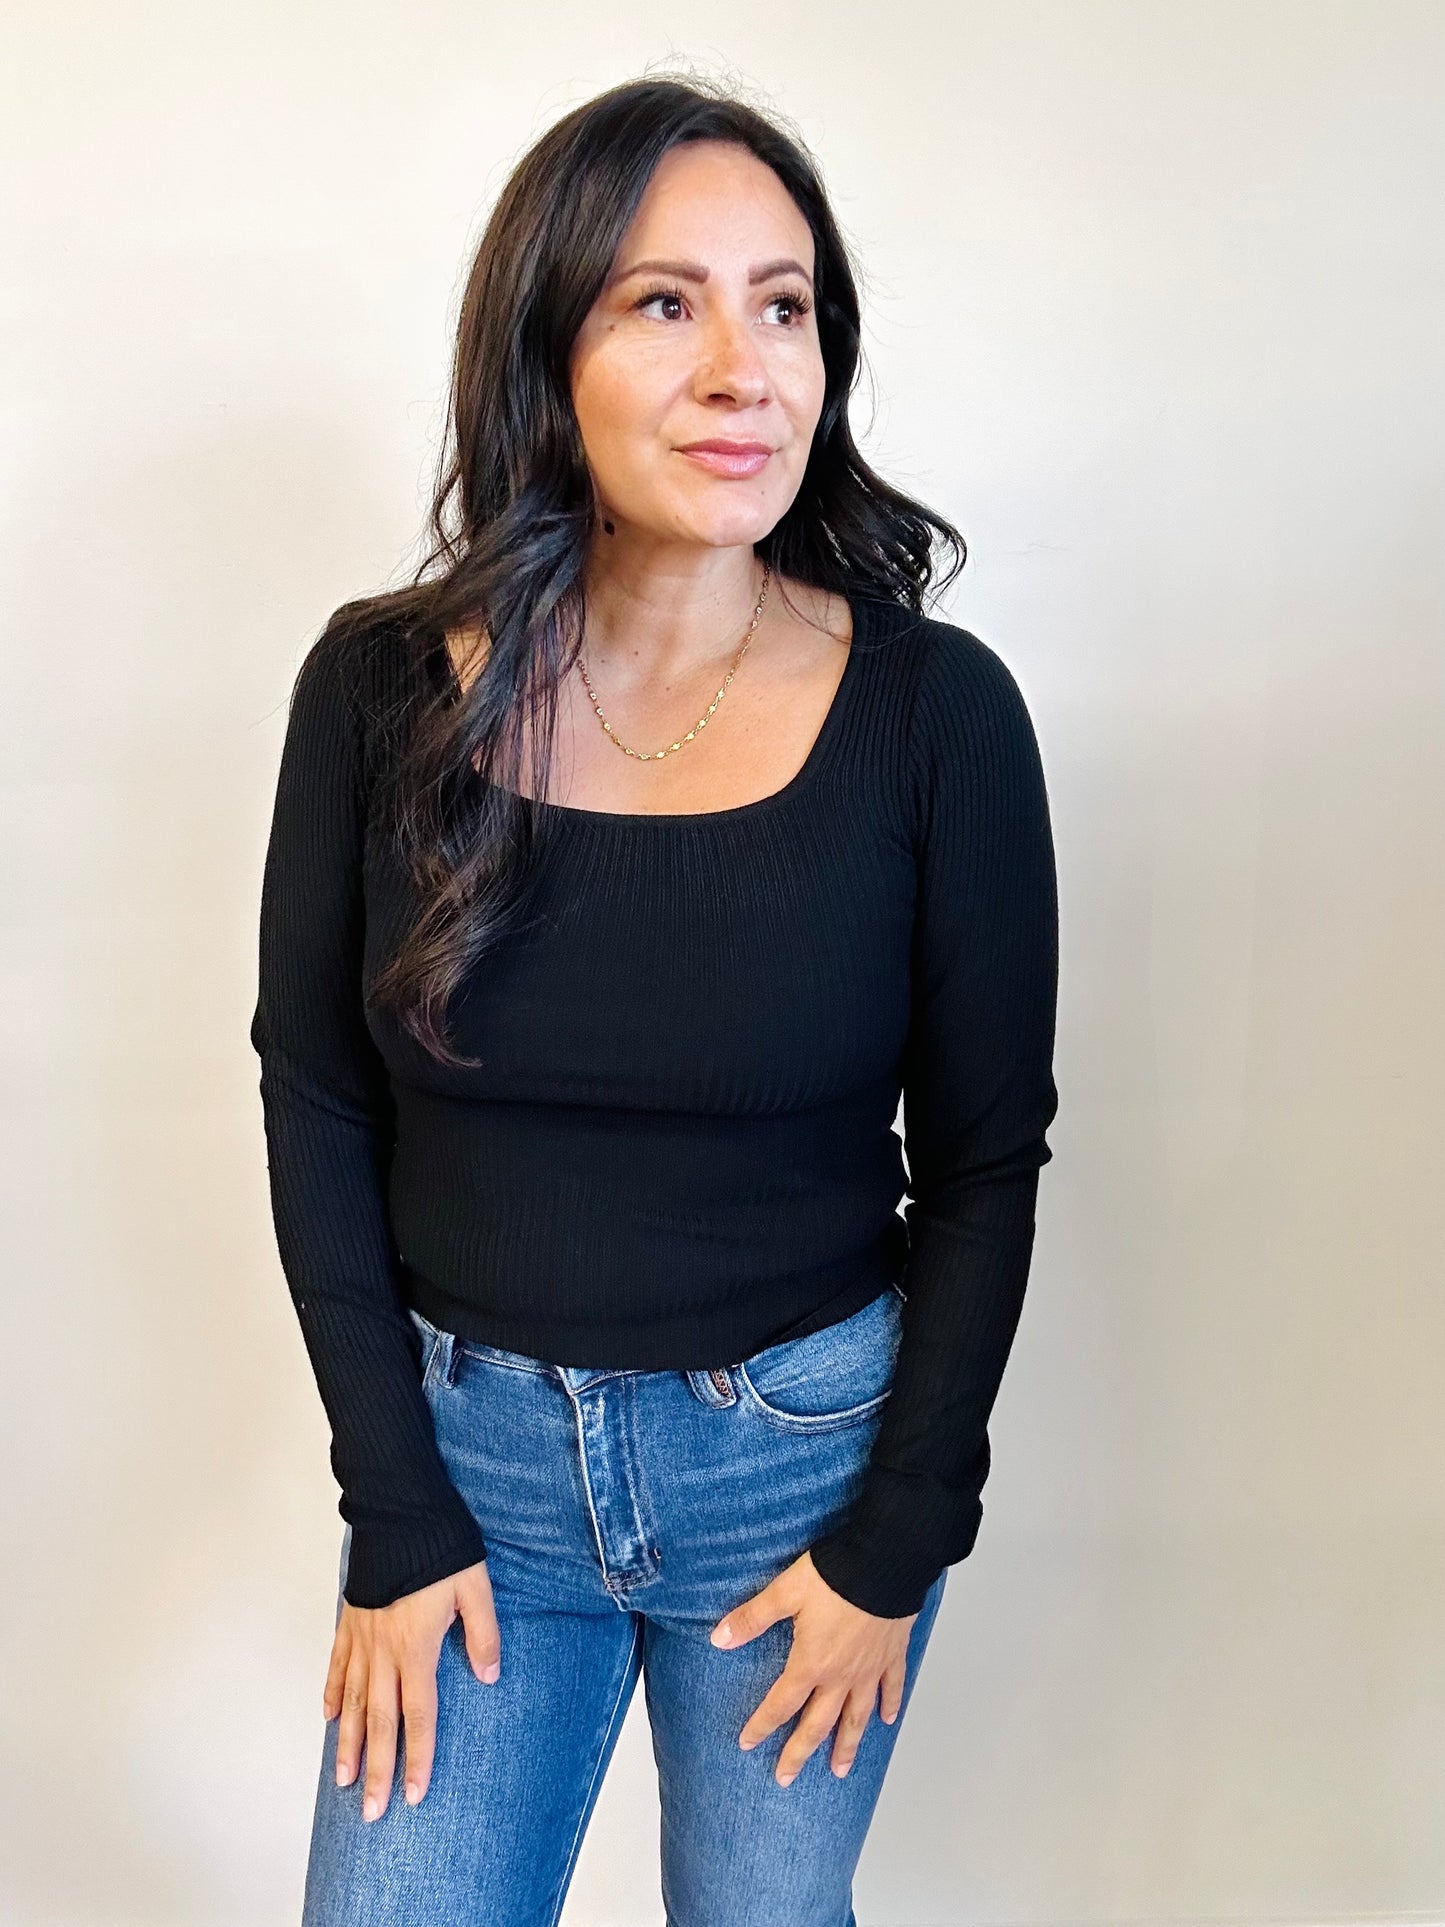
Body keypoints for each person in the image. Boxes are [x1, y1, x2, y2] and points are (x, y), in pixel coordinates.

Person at [250, 71, 1059, 1927]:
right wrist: (396, 1507)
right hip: (471, 1487)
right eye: (662, 302)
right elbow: (317, 1098)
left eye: (783, 306)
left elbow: (988, 1163)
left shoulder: (936, 722)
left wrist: (891, 1543)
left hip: (794, 1487)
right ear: (546, 349)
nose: (743, 369)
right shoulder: (380, 689)